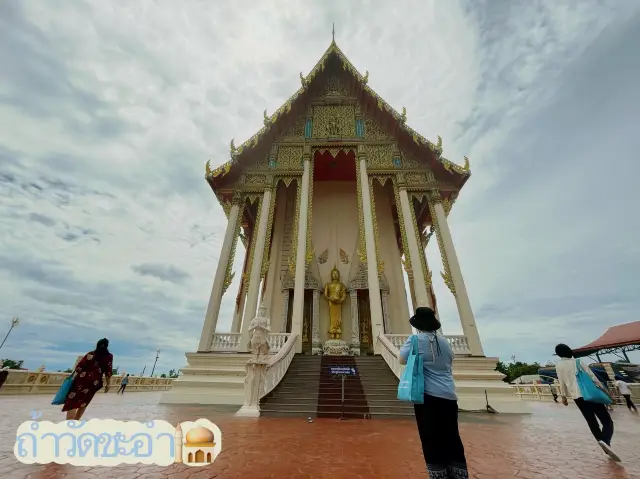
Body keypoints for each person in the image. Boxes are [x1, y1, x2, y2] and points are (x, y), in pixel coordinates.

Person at [399, 307, 468, 478]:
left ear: (418, 325)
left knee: (430, 438)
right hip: (449, 395)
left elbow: (401, 359)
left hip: (427, 397)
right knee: (452, 437)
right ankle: (459, 474)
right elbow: (450, 360)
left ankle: (438, 475)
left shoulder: (415, 340)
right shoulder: (444, 342)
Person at [555, 344, 619, 462]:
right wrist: (604, 390)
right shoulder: (578, 361)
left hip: (577, 397)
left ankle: (603, 444)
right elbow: (593, 377)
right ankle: (605, 441)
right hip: (590, 394)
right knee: (607, 421)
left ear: (558, 354)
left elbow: (561, 381)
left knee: (591, 420)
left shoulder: (558, 366)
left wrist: (563, 396)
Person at [62, 338, 113, 420]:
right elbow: (108, 373)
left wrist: (72, 376)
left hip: (81, 380)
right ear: (107, 346)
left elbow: (79, 367)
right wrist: (108, 384)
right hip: (93, 383)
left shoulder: (90, 354)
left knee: (73, 401)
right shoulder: (109, 357)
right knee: (84, 402)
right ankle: (76, 420)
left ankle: (70, 422)